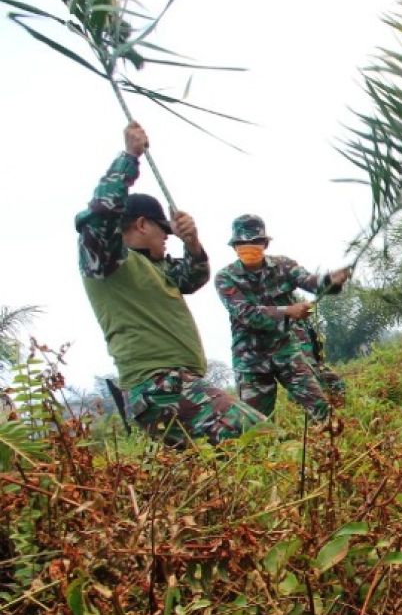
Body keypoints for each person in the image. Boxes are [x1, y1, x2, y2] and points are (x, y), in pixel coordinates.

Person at [76, 122, 265, 445]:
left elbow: (193, 278)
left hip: (175, 386)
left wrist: (192, 244)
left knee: (213, 474)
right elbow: (99, 217)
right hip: (159, 387)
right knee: (258, 437)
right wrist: (129, 158)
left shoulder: (155, 266)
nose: (167, 237)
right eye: (164, 231)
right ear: (141, 224)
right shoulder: (106, 260)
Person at [214, 215, 350, 421]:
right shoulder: (225, 278)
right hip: (251, 362)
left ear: (265, 243)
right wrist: (287, 311)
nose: (248, 247)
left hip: (286, 352)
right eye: (242, 244)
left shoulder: (283, 266)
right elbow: (246, 313)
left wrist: (330, 280)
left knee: (322, 411)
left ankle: (331, 448)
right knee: (257, 426)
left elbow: (310, 282)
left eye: (254, 242)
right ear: (234, 247)